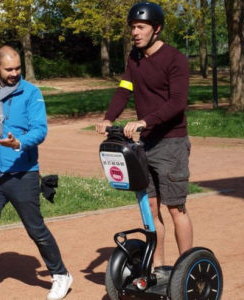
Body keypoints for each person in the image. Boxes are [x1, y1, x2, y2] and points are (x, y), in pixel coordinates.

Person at [0, 45, 72, 300]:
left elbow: (40, 130)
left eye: (18, 68)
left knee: (35, 229)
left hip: (23, 173)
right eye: (9, 69)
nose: (14, 73)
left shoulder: (31, 93)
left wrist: (19, 142)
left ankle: (61, 274)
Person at [96, 2, 193, 280]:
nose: (135, 33)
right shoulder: (134, 58)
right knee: (150, 206)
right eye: (133, 28)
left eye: (141, 27)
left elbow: (177, 103)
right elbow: (124, 90)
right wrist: (108, 118)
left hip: (171, 142)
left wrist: (144, 121)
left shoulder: (175, 59)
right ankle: (160, 267)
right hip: (144, 145)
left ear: (157, 29)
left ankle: (186, 268)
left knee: (175, 207)